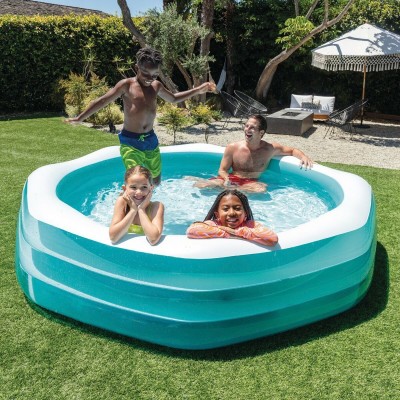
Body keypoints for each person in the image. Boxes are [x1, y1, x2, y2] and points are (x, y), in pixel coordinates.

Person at [66, 47, 216, 185]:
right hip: (130, 141)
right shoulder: (127, 85)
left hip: (150, 140)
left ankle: (147, 200)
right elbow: (103, 100)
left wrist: (198, 90)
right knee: (135, 178)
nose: (150, 78)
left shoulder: (156, 86)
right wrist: (80, 118)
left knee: (156, 180)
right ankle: (129, 201)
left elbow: (174, 98)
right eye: (146, 73)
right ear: (137, 67)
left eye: (155, 74)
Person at [191, 114, 313, 193]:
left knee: (261, 189)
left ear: (261, 133)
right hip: (231, 179)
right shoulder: (233, 147)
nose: (247, 129)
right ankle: (231, 190)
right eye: (246, 126)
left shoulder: (269, 149)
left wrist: (303, 156)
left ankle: (232, 191)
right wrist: (227, 179)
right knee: (201, 185)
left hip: (251, 182)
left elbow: (292, 151)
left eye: (252, 127)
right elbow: (222, 170)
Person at [186, 189, 278, 246]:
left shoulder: (250, 224)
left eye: (237, 208)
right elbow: (192, 231)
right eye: (225, 209)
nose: (232, 213)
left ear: (245, 214)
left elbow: (272, 238)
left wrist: (235, 232)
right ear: (217, 215)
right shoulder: (214, 223)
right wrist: (229, 234)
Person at [109, 165, 164, 245]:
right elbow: (113, 238)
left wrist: (141, 209)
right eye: (133, 187)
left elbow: (153, 240)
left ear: (151, 188)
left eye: (144, 187)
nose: (139, 192)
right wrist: (133, 210)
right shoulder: (122, 202)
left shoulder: (157, 206)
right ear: (125, 189)